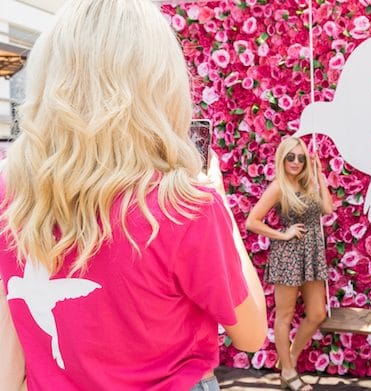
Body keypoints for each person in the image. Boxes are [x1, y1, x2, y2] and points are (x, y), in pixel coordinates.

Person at [0, 1, 267, 390]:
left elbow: (10, 327)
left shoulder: (13, 193)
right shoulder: (184, 204)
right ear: (159, 83)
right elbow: (251, 333)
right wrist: (219, 199)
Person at [246, 137, 333, 391]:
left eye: (301, 157)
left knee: (317, 313)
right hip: (289, 255)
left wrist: (319, 175)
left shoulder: (308, 185)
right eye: (290, 157)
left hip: (311, 255)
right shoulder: (278, 187)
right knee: (284, 315)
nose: (296, 162)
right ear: (282, 159)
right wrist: (282, 234)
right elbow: (252, 221)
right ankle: (288, 370)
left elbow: (327, 209)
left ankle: (289, 360)